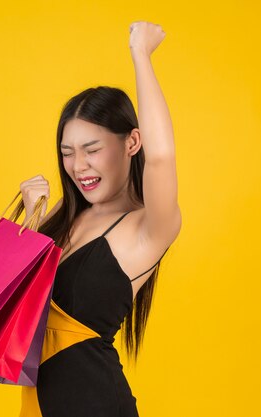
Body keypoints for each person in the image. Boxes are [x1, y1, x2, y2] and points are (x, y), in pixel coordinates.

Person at [17, 21, 181, 417]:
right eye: (67, 152)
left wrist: (140, 53)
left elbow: (161, 158)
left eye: (92, 149)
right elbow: (14, 305)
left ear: (131, 142)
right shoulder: (65, 215)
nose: (78, 165)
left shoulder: (148, 228)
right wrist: (31, 220)